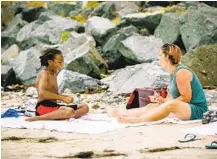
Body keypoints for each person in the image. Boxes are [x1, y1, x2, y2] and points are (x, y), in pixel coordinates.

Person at [107, 43, 208, 124]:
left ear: (167, 57)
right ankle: (121, 112)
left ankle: (138, 120)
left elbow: (186, 98)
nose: (158, 58)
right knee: (152, 106)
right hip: (184, 107)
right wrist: (163, 100)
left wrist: (167, 103)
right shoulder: (173, 72)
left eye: (160, 55)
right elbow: (175, 97)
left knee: (170, 105)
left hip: (197, 110)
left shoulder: (181, 72)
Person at [25, 48, 89, 122]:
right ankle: (39, 118)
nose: (62, 64)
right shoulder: (44, 74)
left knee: (85, 107)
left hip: (54, 106)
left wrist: (65, 97)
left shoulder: (54, 74)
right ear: (50, 62)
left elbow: (53, 93)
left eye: (62, 62)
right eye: (59, 62)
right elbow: (42, 93)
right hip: (43, 107)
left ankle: (64, 116)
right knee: (69, 111)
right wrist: (62, 98)